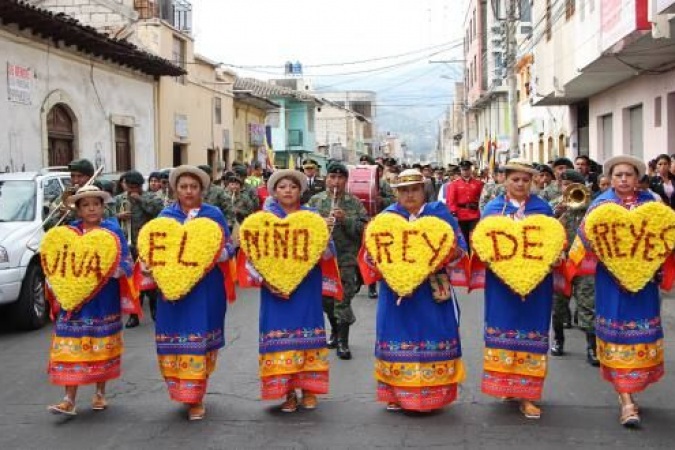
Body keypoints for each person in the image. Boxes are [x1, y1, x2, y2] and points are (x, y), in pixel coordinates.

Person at [363, 169, 467, 412]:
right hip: (396, 291)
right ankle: (395, 393)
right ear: (396, 193)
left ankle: (434, 394)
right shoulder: (386, 218)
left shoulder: (441, 216)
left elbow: (460, 248)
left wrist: (449, 253)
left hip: (432, 289)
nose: (410, 195)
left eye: (415, 189)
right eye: (404, 190)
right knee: (397, 334)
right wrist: (385, 266)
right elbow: (369, 254)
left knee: (434, 332)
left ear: (424, 191)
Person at [577, 155, 666, 427]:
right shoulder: (600, 205)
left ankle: (631, 391)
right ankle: (626, 400)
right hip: (611, 282)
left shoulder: (653, 204)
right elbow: (584, 241)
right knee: (617, 334)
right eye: (618, 175)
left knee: (640, 336)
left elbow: (665, 237)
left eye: (629, 174)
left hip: (645, 284)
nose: (624, 179)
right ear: (610, 179)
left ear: (638, 178)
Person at [245, 169, 333, 412]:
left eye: (293, 187)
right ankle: (287, 393)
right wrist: (269, 280)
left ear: (300, 191)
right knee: (279, 339)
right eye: (282, 187)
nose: (287, 191)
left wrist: (324, 236)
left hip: (306, 288)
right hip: (274, 292)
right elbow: (251, 256)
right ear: (274, 191)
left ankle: (309, 390)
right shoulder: (262, 220)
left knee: (308, 337)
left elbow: (328, 254)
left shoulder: (313, 217)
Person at [152, 165, 234, 421]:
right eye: (183, 186)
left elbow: (229, 246)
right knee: (174, 340)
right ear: (175, 189)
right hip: (172, 292)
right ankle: (180, 390)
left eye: (194, 187)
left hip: (206, 289)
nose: (188, 191)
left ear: (202, 189)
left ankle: (196, 396)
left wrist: (220, 253)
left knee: (199, 341)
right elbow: (155, 249)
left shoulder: (213, 214)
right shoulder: (165, 216)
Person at [46, 186, 134, 416]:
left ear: (103, 207)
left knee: (100, 346)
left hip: (103, 299)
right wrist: (54, 280)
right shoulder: (68, 232)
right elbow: (56, 260)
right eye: (85, 205)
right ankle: (68, 399)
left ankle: (100, 393)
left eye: (96, 204)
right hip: (73, 301)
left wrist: (113, 271)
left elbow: (127, 262)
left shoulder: (113, 231)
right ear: (78, 210)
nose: (91, 208)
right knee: (70, 348)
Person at [480, 158, 554, 420]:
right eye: (515, 179)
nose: (521, 184)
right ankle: (508, 385)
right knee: (504, 330)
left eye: (525, 180)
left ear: (532, 181)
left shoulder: (543, 208)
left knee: (531, 332)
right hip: (501, 284)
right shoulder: (493, 208)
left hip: (537, 284)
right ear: (505, 180)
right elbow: (483, 245)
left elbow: (553, 243)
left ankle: (529, 395)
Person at [308, 162, 369, 360]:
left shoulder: (354, 202)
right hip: (322, 259)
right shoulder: (315, 201)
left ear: (345, 180)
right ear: (326, 179)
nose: (336, 182)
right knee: (326, 300)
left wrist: (345, 220)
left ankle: (343, 342)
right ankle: (334, 330)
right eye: (332, 178)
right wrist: (320, 223)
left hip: (346, 258)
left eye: (340, 178)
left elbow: (364, 229)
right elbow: (304, 228)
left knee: (342, 299)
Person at [550, 170, 598, 366]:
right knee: (558, 305)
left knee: (588, 304)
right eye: (563, 185)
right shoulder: (554, 205)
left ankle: (592, 346)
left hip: (584, 262)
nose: (567, 188)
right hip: (562, 262)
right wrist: (557, 212)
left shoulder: (593, 205)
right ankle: (558, 340)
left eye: (571, 184)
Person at [113, 170, 164, 327]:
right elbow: (107, 216)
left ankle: (155, 309)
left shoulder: (150, 197)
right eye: (130, 187)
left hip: (146, 244)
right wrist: (118, 216)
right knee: (131, 281)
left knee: (149, 279)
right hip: (127, 245)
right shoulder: (119, 199)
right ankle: (134, 315)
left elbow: (158, 212)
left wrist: (140, 200)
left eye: (136, 187)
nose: (132, 190)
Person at [44, 158, 113, 230]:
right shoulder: (65, 196)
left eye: (80, 176)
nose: (75, 180)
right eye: (72, 176)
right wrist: (60, 216)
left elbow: (106, 219)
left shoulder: (100, 196)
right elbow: (47, 227)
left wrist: (73, 214)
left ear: (91, 178)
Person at [446, 160, 484, 247]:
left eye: (467, 169)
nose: (465, 172)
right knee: (463, 239)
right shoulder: (454, 184)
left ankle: (473, 258)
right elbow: (450, 200)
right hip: (460, 215)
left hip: (474, 214)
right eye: (463, 170)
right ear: (461, 170)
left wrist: (481, 210)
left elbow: (483, 199)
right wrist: (453, 212)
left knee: (474, 238)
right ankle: (465, 257)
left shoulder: (479, 184)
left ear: (471, 170)